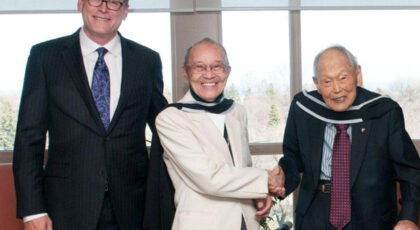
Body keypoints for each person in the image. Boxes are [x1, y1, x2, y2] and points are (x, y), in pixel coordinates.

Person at [13, 0, 167, 229]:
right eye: (96, 0)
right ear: (80, 4)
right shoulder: (45, 57)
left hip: (132, 207)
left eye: (114, 2)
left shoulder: (147, 61)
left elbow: (165, 126)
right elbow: (29, 138)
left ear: (125, 11)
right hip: (64, 207)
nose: (104, 8)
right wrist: (33, 210)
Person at [278, 45, 420, 230]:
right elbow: (292, 159)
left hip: (372, 216)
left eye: (343, 78)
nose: (337, 89)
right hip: (315, 216)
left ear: (358, 75)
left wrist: (408, 217)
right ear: (317, 84)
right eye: (327, 81)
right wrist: (280, 181)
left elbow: (410, 170)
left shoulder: (383, 112)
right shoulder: (303, 109)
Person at [154, 38, 285, 230]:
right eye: (199, 67)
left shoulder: (237, 112)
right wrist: (265, 179)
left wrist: (258, 193)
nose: (209, 74)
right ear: (185, 72)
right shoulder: (171, 119)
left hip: (246, 221)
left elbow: (243, 166)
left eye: (217, 66)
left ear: (228, 72)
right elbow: (208, 177)